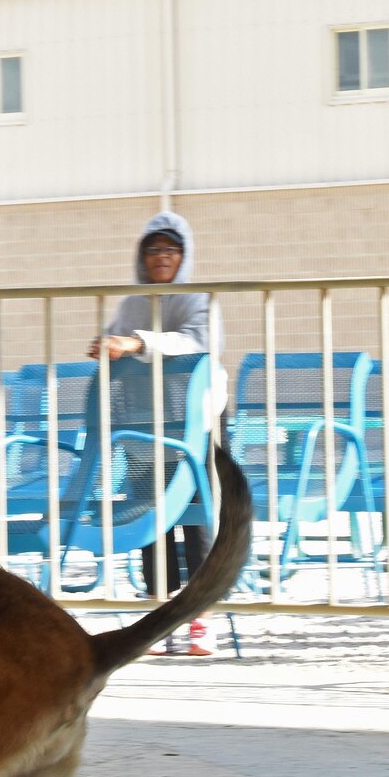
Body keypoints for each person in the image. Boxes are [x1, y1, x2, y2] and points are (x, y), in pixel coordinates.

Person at [89, 211, 224, 656]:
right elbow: (114, 337)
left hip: (197, 424)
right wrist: (105, 346)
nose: (161, 258)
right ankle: (159, 612)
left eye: (170, 249)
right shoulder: (132, 302)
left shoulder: (198, 298)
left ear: (183, 255)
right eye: (153, 249)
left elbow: (195, 342)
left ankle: (201, 618)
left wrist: (140, 343)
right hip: (145, 426)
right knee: (153, 517)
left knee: (197, 517)